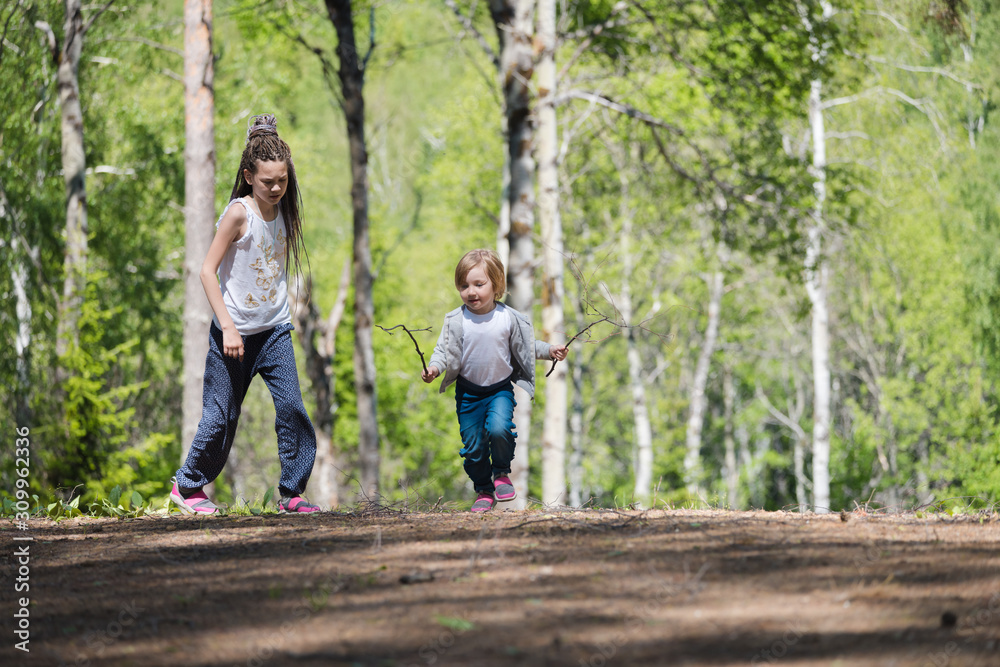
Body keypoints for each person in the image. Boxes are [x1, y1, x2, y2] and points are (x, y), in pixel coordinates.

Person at [170, 114, 320, 515]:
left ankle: (292, 493)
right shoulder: (239, 213)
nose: (276, 187)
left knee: (292, 409)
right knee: (220, 417)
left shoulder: (287, 212)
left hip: (275, 332)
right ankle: (187, 487)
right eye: (268, 181)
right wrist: (230, 329)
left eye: (282, 180)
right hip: (232, 336)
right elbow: (206, 271)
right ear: (248, 175)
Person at [422, 249, 568, 512]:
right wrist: (434, 368)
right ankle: (483, 490)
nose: (471, 292)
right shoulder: (456, 320)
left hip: (499, 390)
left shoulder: (507, 318)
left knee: (500, 429)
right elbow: (443, 351)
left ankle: (501, 472)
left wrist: (549, 350)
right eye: (464, 286)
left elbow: (526, 346)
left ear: (496, 285)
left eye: (479, 284)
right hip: (468, 394)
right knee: (473, 446)